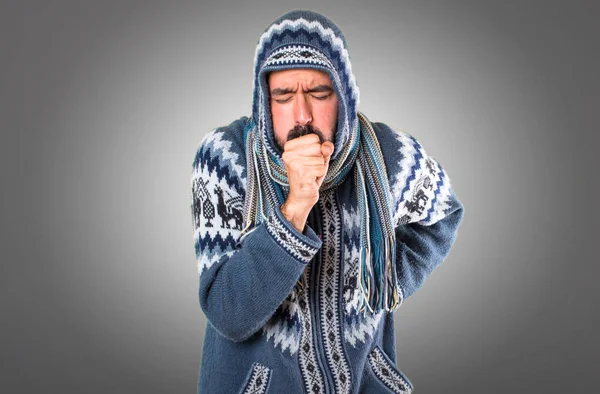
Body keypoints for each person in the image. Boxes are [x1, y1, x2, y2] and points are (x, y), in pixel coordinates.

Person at [190, 9, 464, 394]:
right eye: (283, 95)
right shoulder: (224, 157)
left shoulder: (388, 155)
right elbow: (228, 312)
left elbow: (443, 214)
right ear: (263, 101)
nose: (301, 114)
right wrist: (295, 207)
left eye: (319, 93)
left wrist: (384, 279)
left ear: (344, 95)